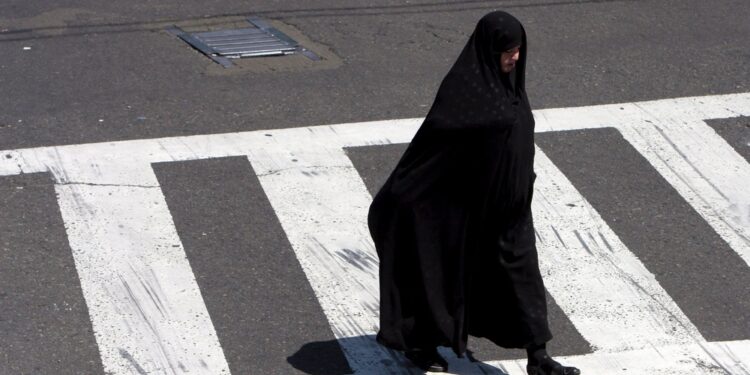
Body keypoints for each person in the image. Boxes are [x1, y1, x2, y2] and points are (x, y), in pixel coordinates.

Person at [367, 11, 581, 375]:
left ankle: (539, 358)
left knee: (523, 280)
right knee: (438, 275)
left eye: (518, 49)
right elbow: (432, 154)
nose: (514, 58)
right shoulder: (463, 95)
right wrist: (401, 200)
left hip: (510, 214)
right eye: (506, 51)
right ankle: (421, 346)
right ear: (488, 50)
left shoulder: (512, 88)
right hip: (464, 215)